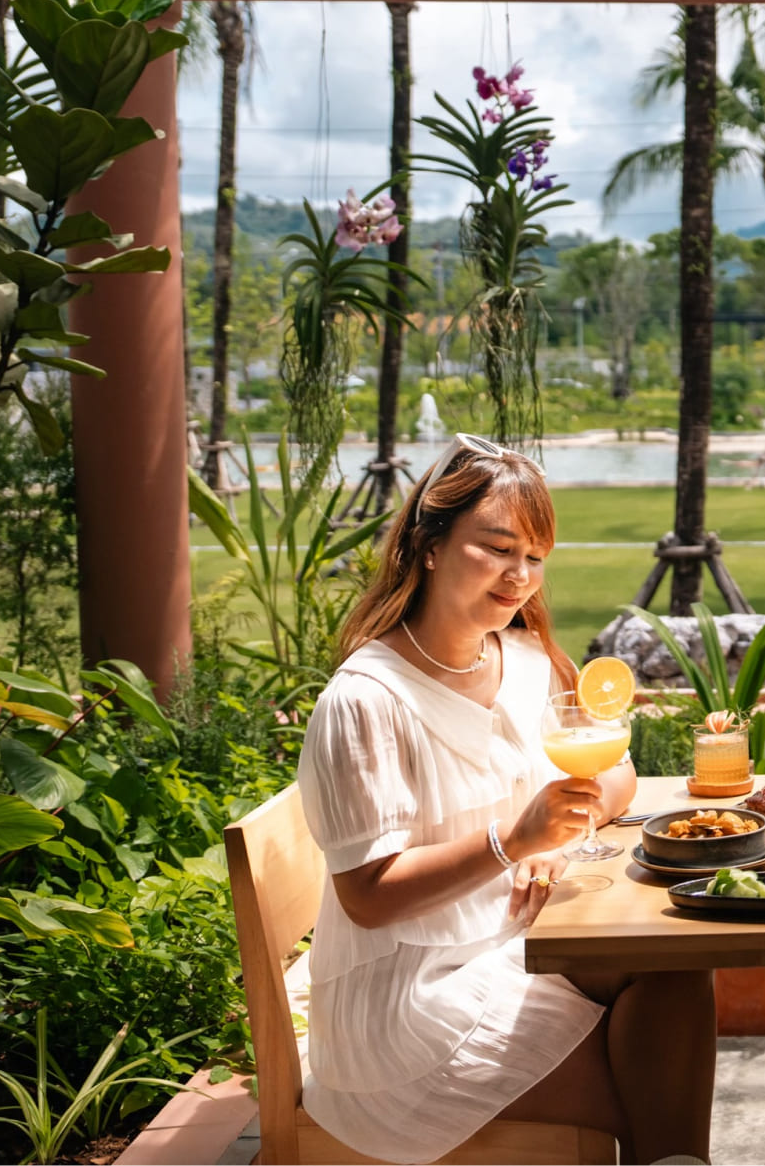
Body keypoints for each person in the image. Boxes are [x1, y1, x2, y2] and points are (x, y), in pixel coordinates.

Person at [295, 434, 715, 1165]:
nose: (520, 575)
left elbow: (616, 773)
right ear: (428, 546)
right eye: (496, 548)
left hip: (514, 946)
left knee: (674, 964)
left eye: (535, 555)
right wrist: (510, 841)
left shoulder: (523, 658)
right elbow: (366, 895)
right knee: (651, 1094)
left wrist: (555, 835)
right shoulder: (366, 700)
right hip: (408, 1006)